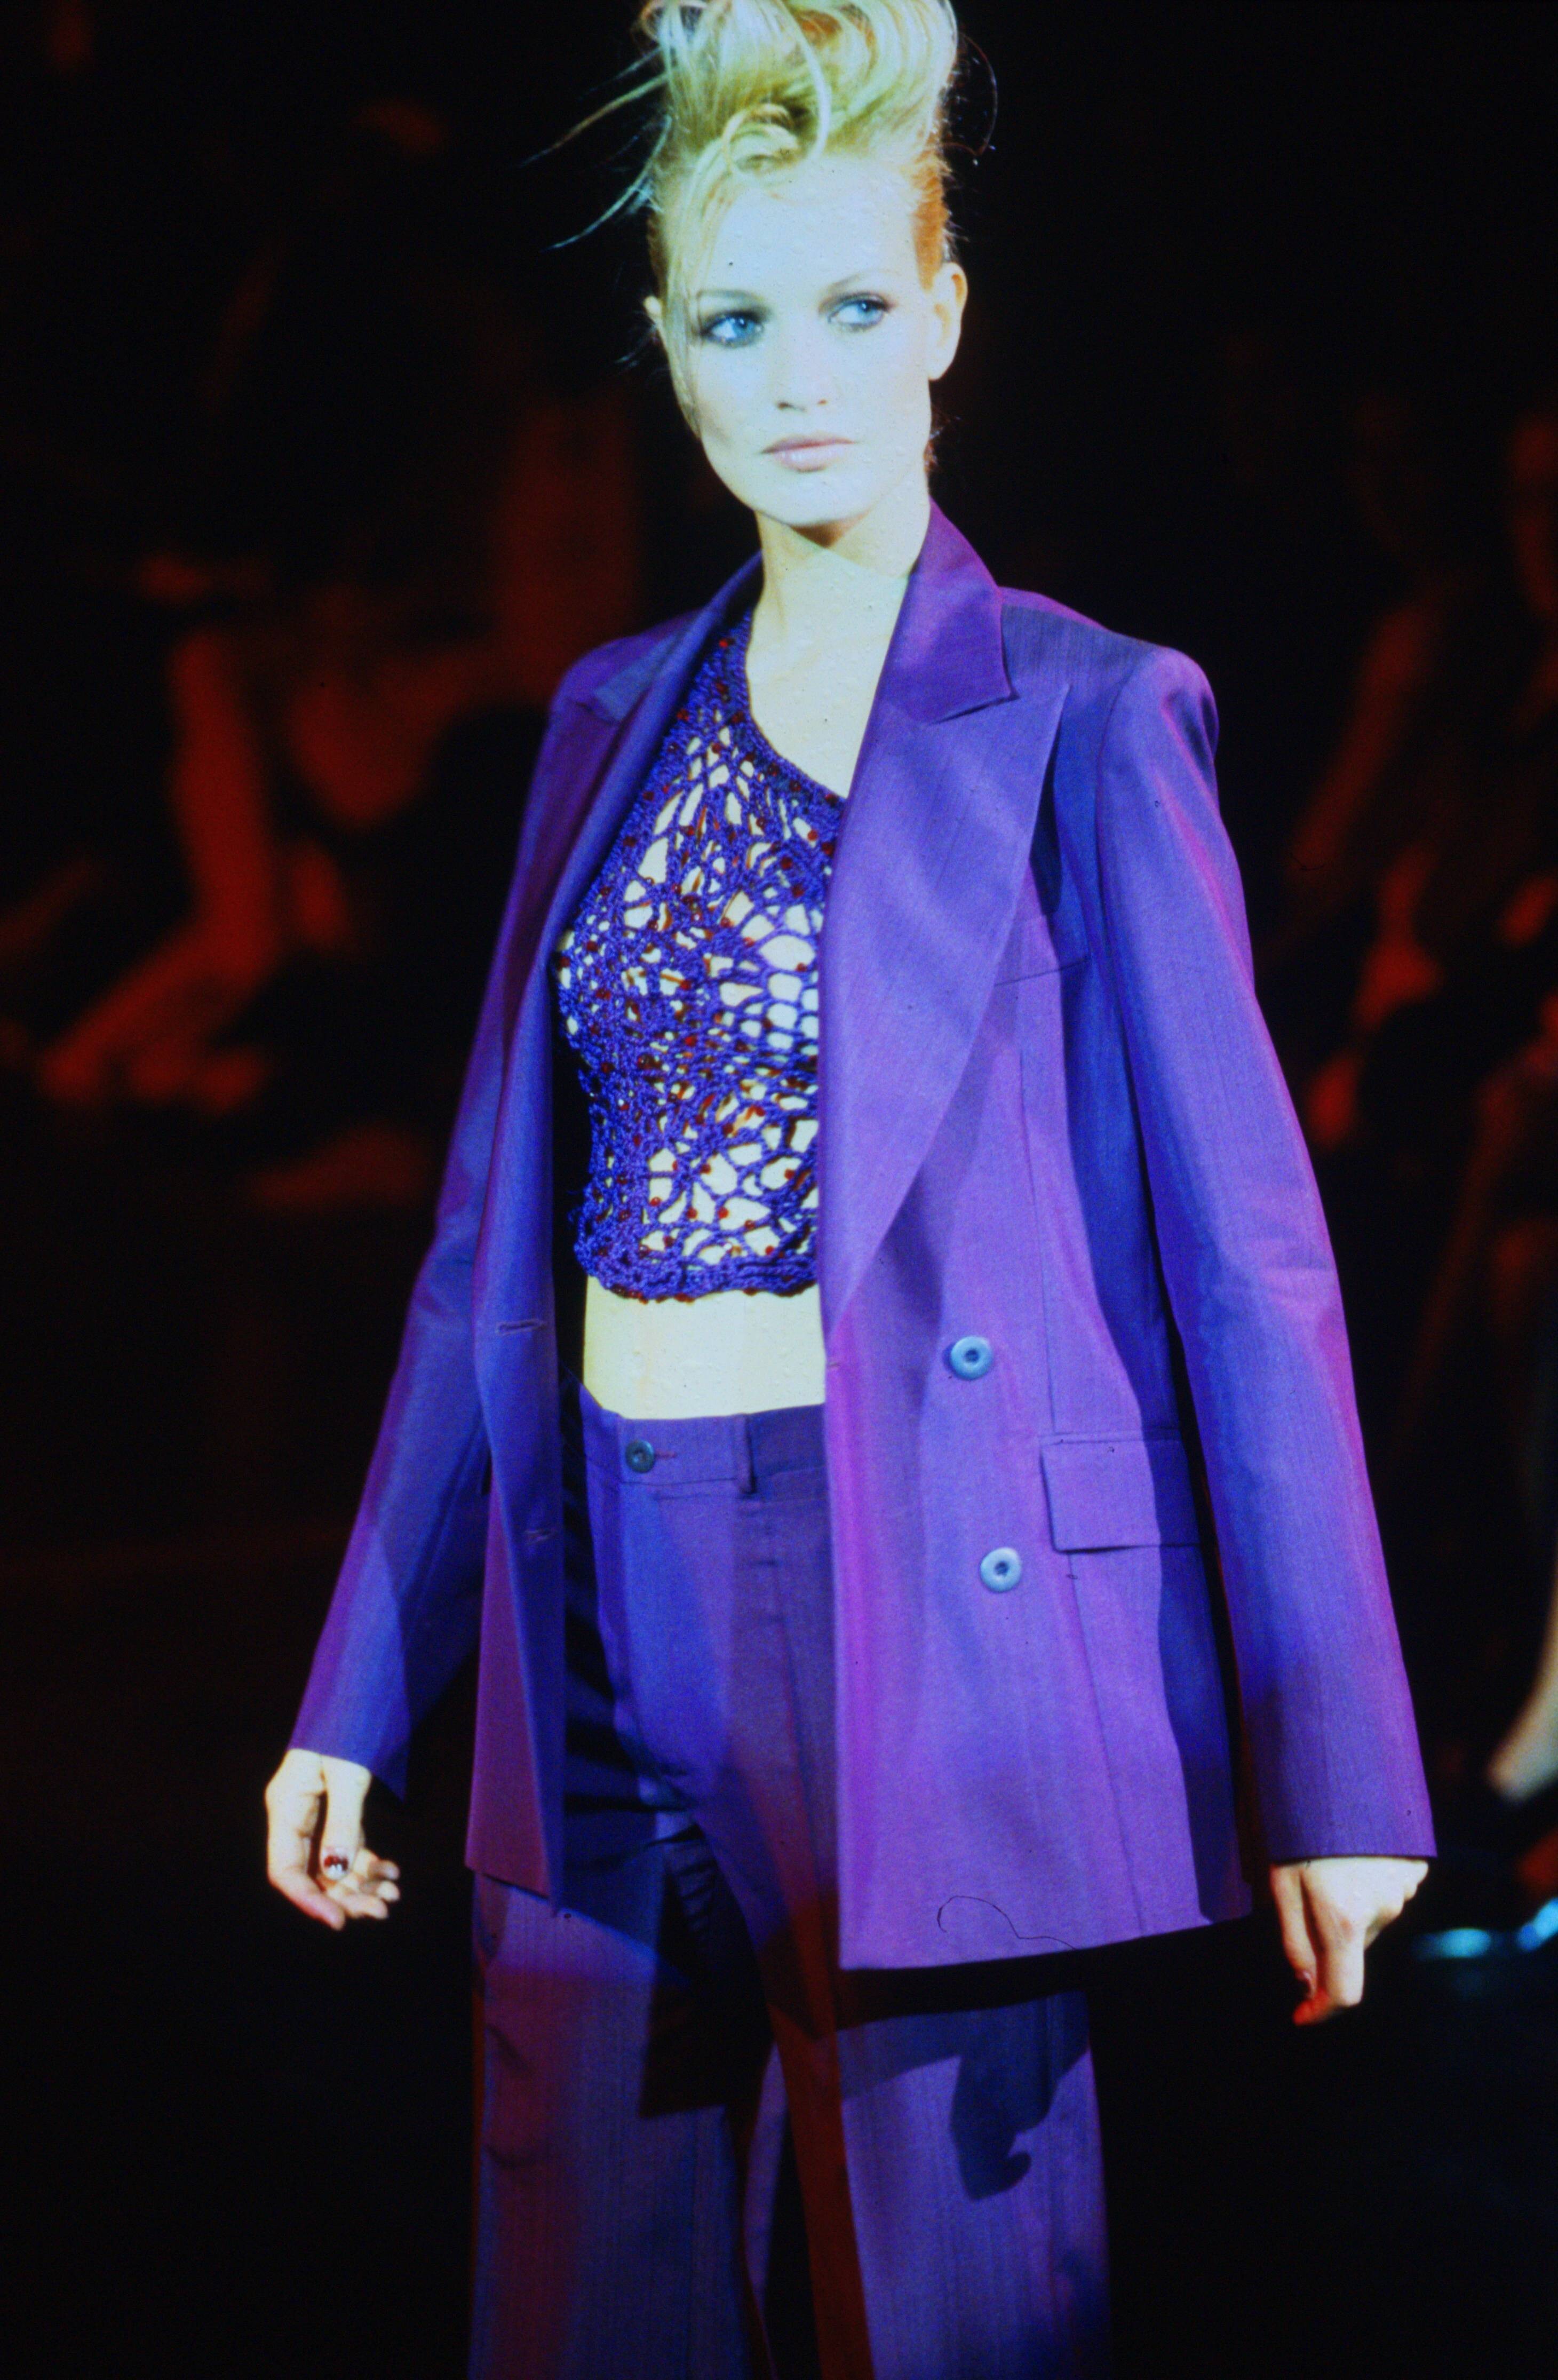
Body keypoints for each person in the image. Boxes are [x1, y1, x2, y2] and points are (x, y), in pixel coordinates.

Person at [265, 6, 1432, 2374]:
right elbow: (486, 1248)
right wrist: (362, 1682)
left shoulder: (1092, 713)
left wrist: (1337, 1757)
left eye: (853, 306)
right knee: (576, 2305)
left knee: (940, 2312)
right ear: (662, 341)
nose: (797, 376)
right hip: (595, 1599)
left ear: (949, 316)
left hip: (917, 1597)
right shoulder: (605, 714)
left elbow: (1251, 1261)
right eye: (732, 320)